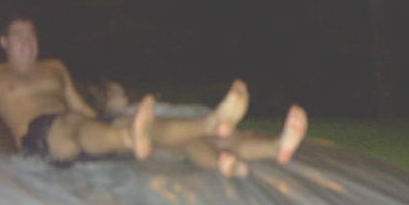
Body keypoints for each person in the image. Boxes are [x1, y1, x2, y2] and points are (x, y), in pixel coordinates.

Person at [0, 17, 250, 167]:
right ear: (4, 42)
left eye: (32, 35)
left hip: (79, 132)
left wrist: (113, 118)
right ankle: (127, 138)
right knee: (74, 125)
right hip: (41, 144)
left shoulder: (55, 67)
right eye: (18, 35)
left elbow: (81, 109)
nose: (27, 42)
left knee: (122, 123)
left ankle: (208, 125)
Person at [92, 81, 308, 177]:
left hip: (187, 124)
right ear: (103, 104)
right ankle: (220, 162)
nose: (123, 95)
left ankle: (277, 147)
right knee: (193, 143)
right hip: (172, 140)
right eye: (115, 94)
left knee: (229, 137)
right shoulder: (117, 120)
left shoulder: (140, 106)